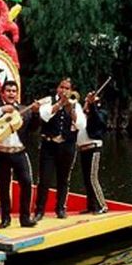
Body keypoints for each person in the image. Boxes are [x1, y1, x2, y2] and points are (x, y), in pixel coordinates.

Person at [0, 81, 39, 229]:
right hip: (0, 153)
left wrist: (36, 113)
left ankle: (25, 218)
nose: (11, 93)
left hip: (19, 152)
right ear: (2, 93)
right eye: (8, 91)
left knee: (26, 182)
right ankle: (5, 218)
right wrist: (2, 110)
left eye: (14, 91)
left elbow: (33, 129)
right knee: (3, 185)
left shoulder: (23, 110)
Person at [35, 77, 86, 220]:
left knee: (63, 179)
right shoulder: (49, 100)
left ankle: (60, 209)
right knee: (44, 179)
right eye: (61, 87)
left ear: (71, 91)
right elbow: (44, 116)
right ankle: (39, 211)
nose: (64, 90)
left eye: (67, 88)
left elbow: (81, 125)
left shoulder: (76, 105)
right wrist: (59, 104)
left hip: (67, 146)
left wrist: (71, 111)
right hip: (49, 145)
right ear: (58, 88)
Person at [77, 90, 108, 214]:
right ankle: (91, 206)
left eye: (89, 102)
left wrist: (93, 105)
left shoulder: (101, 114)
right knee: (86, 179)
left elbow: (98, 120)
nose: (86, 103)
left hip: (93, 148)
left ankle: (102, 205)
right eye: (86, 101)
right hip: (83, 149)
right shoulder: (82, 115)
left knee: (93, 178)